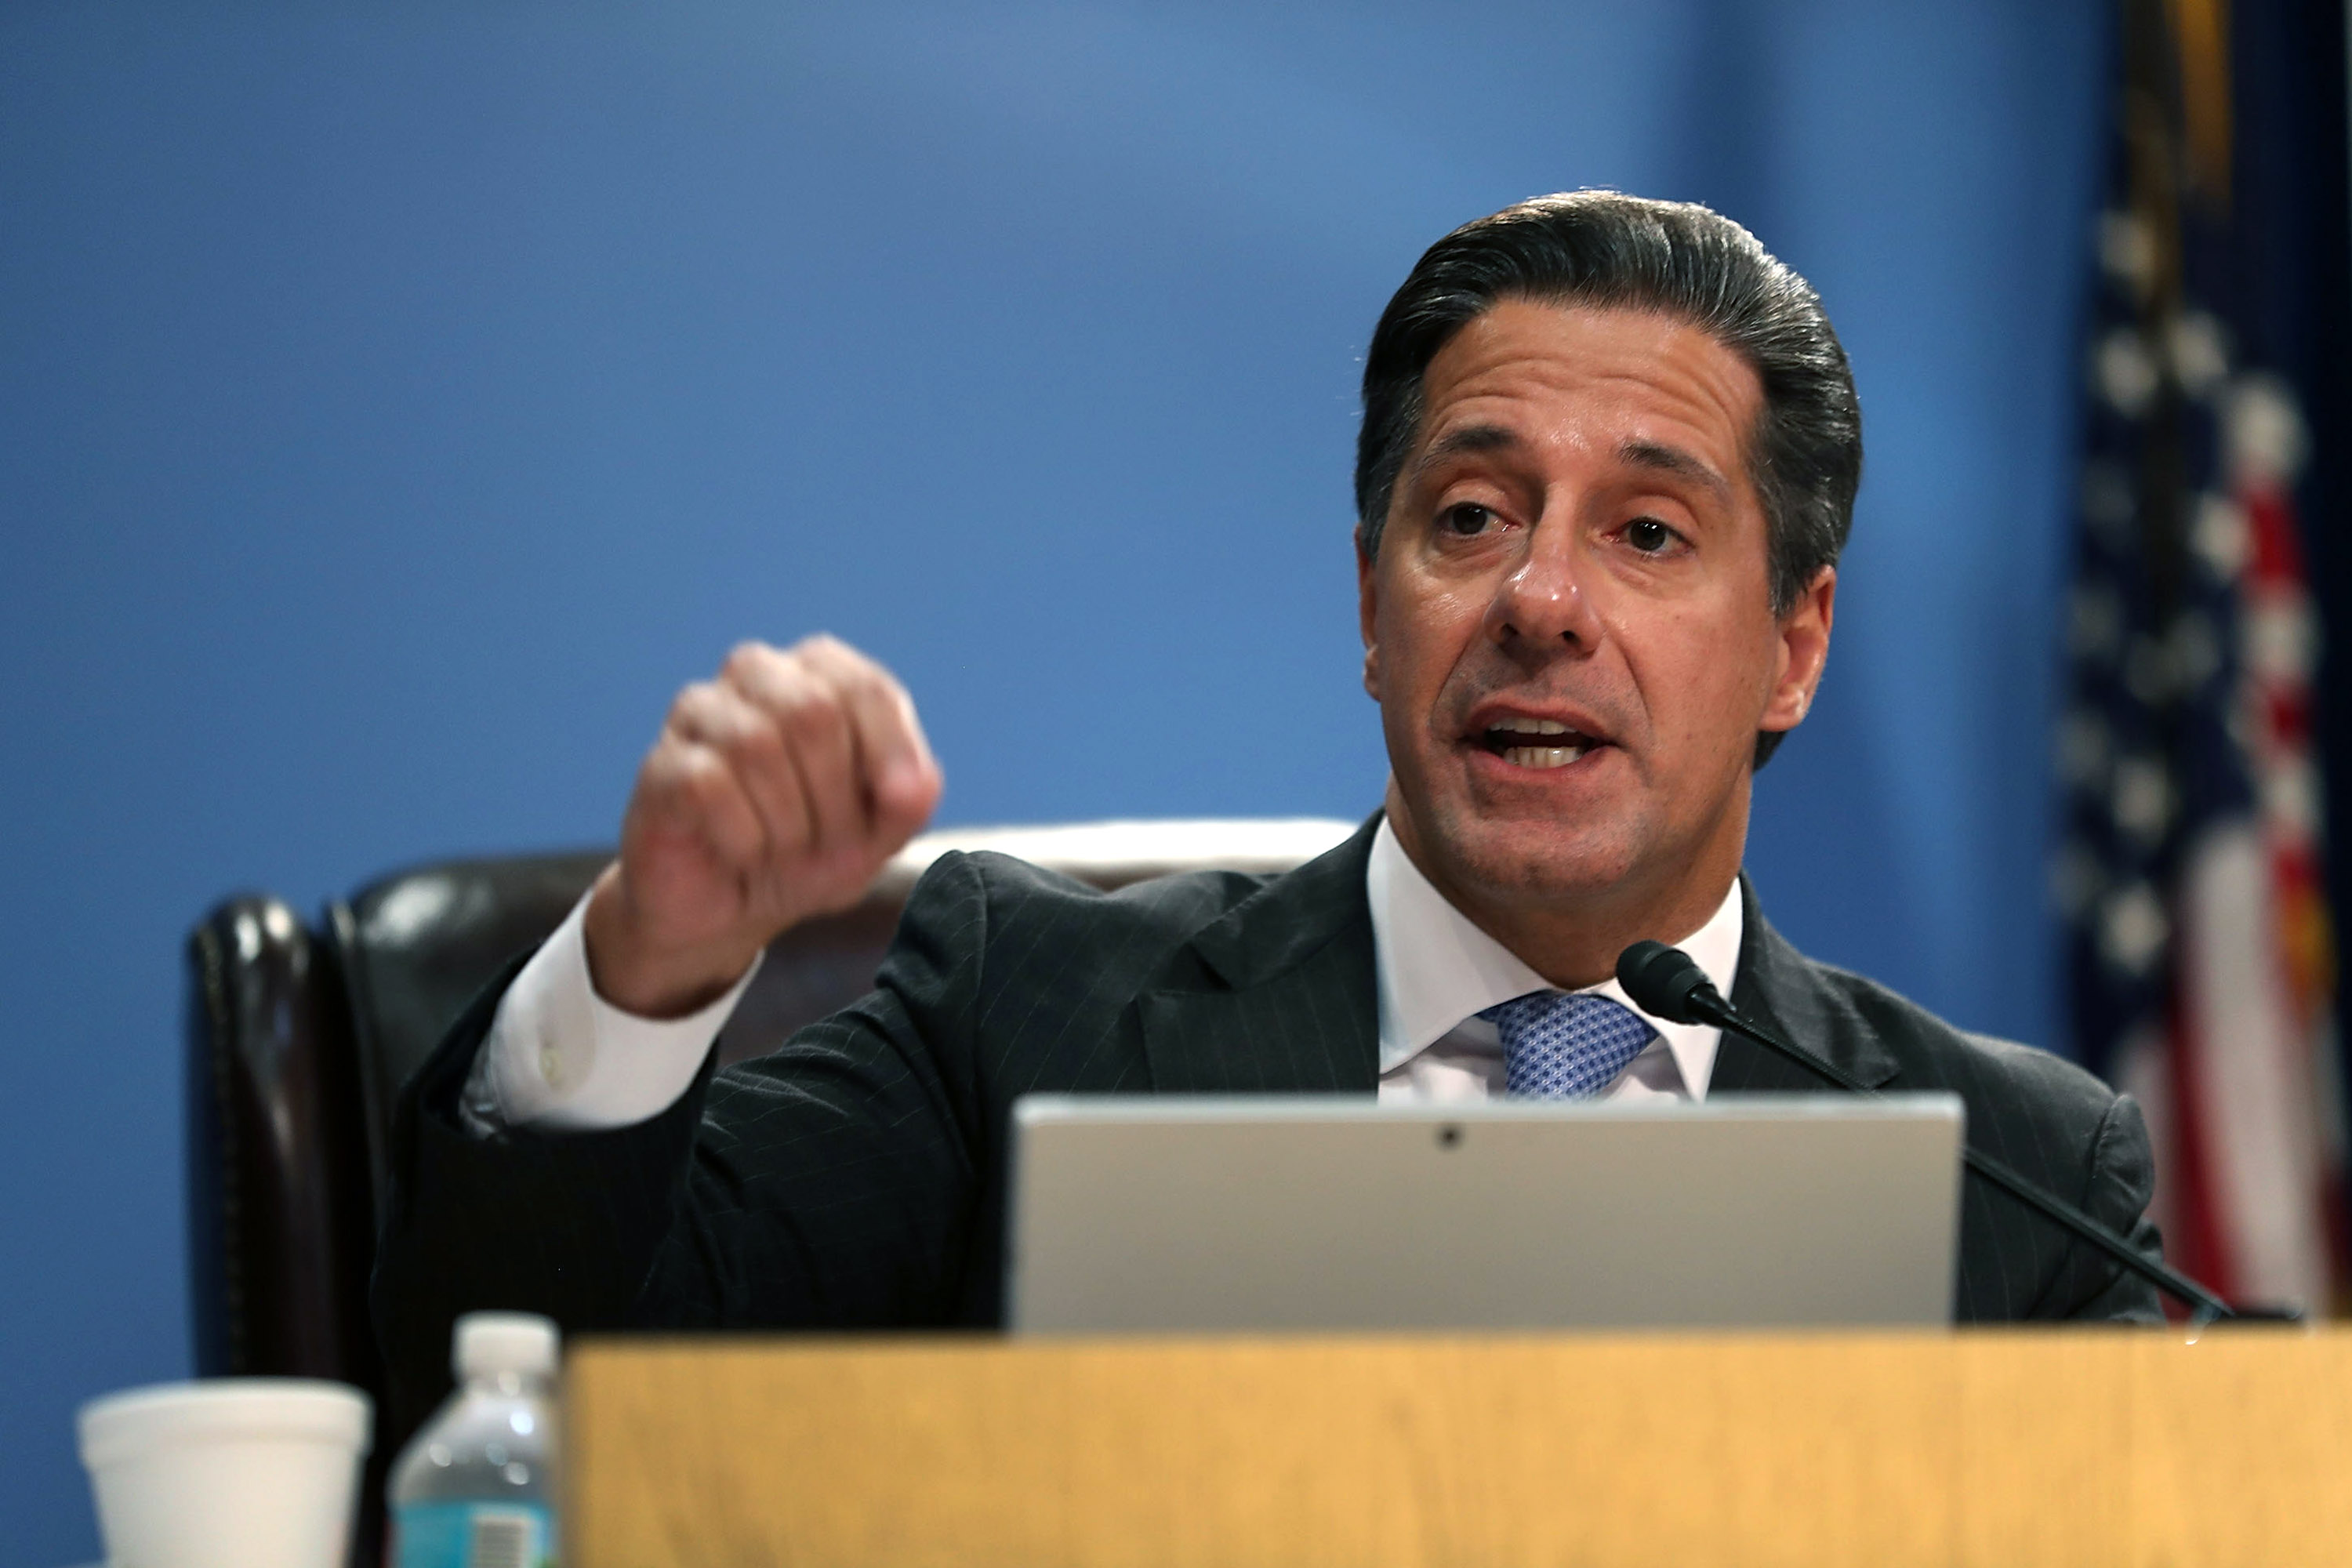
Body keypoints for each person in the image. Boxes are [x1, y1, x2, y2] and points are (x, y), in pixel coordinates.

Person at [374, 191, 2164, 1417]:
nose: (1541, 598)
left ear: (1794, 644)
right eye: (1469, 515)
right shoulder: (1021, 1011)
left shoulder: (2018, 1185)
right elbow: (543, 1412)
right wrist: (652, 967)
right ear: (1374, 609)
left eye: (1646, 531)